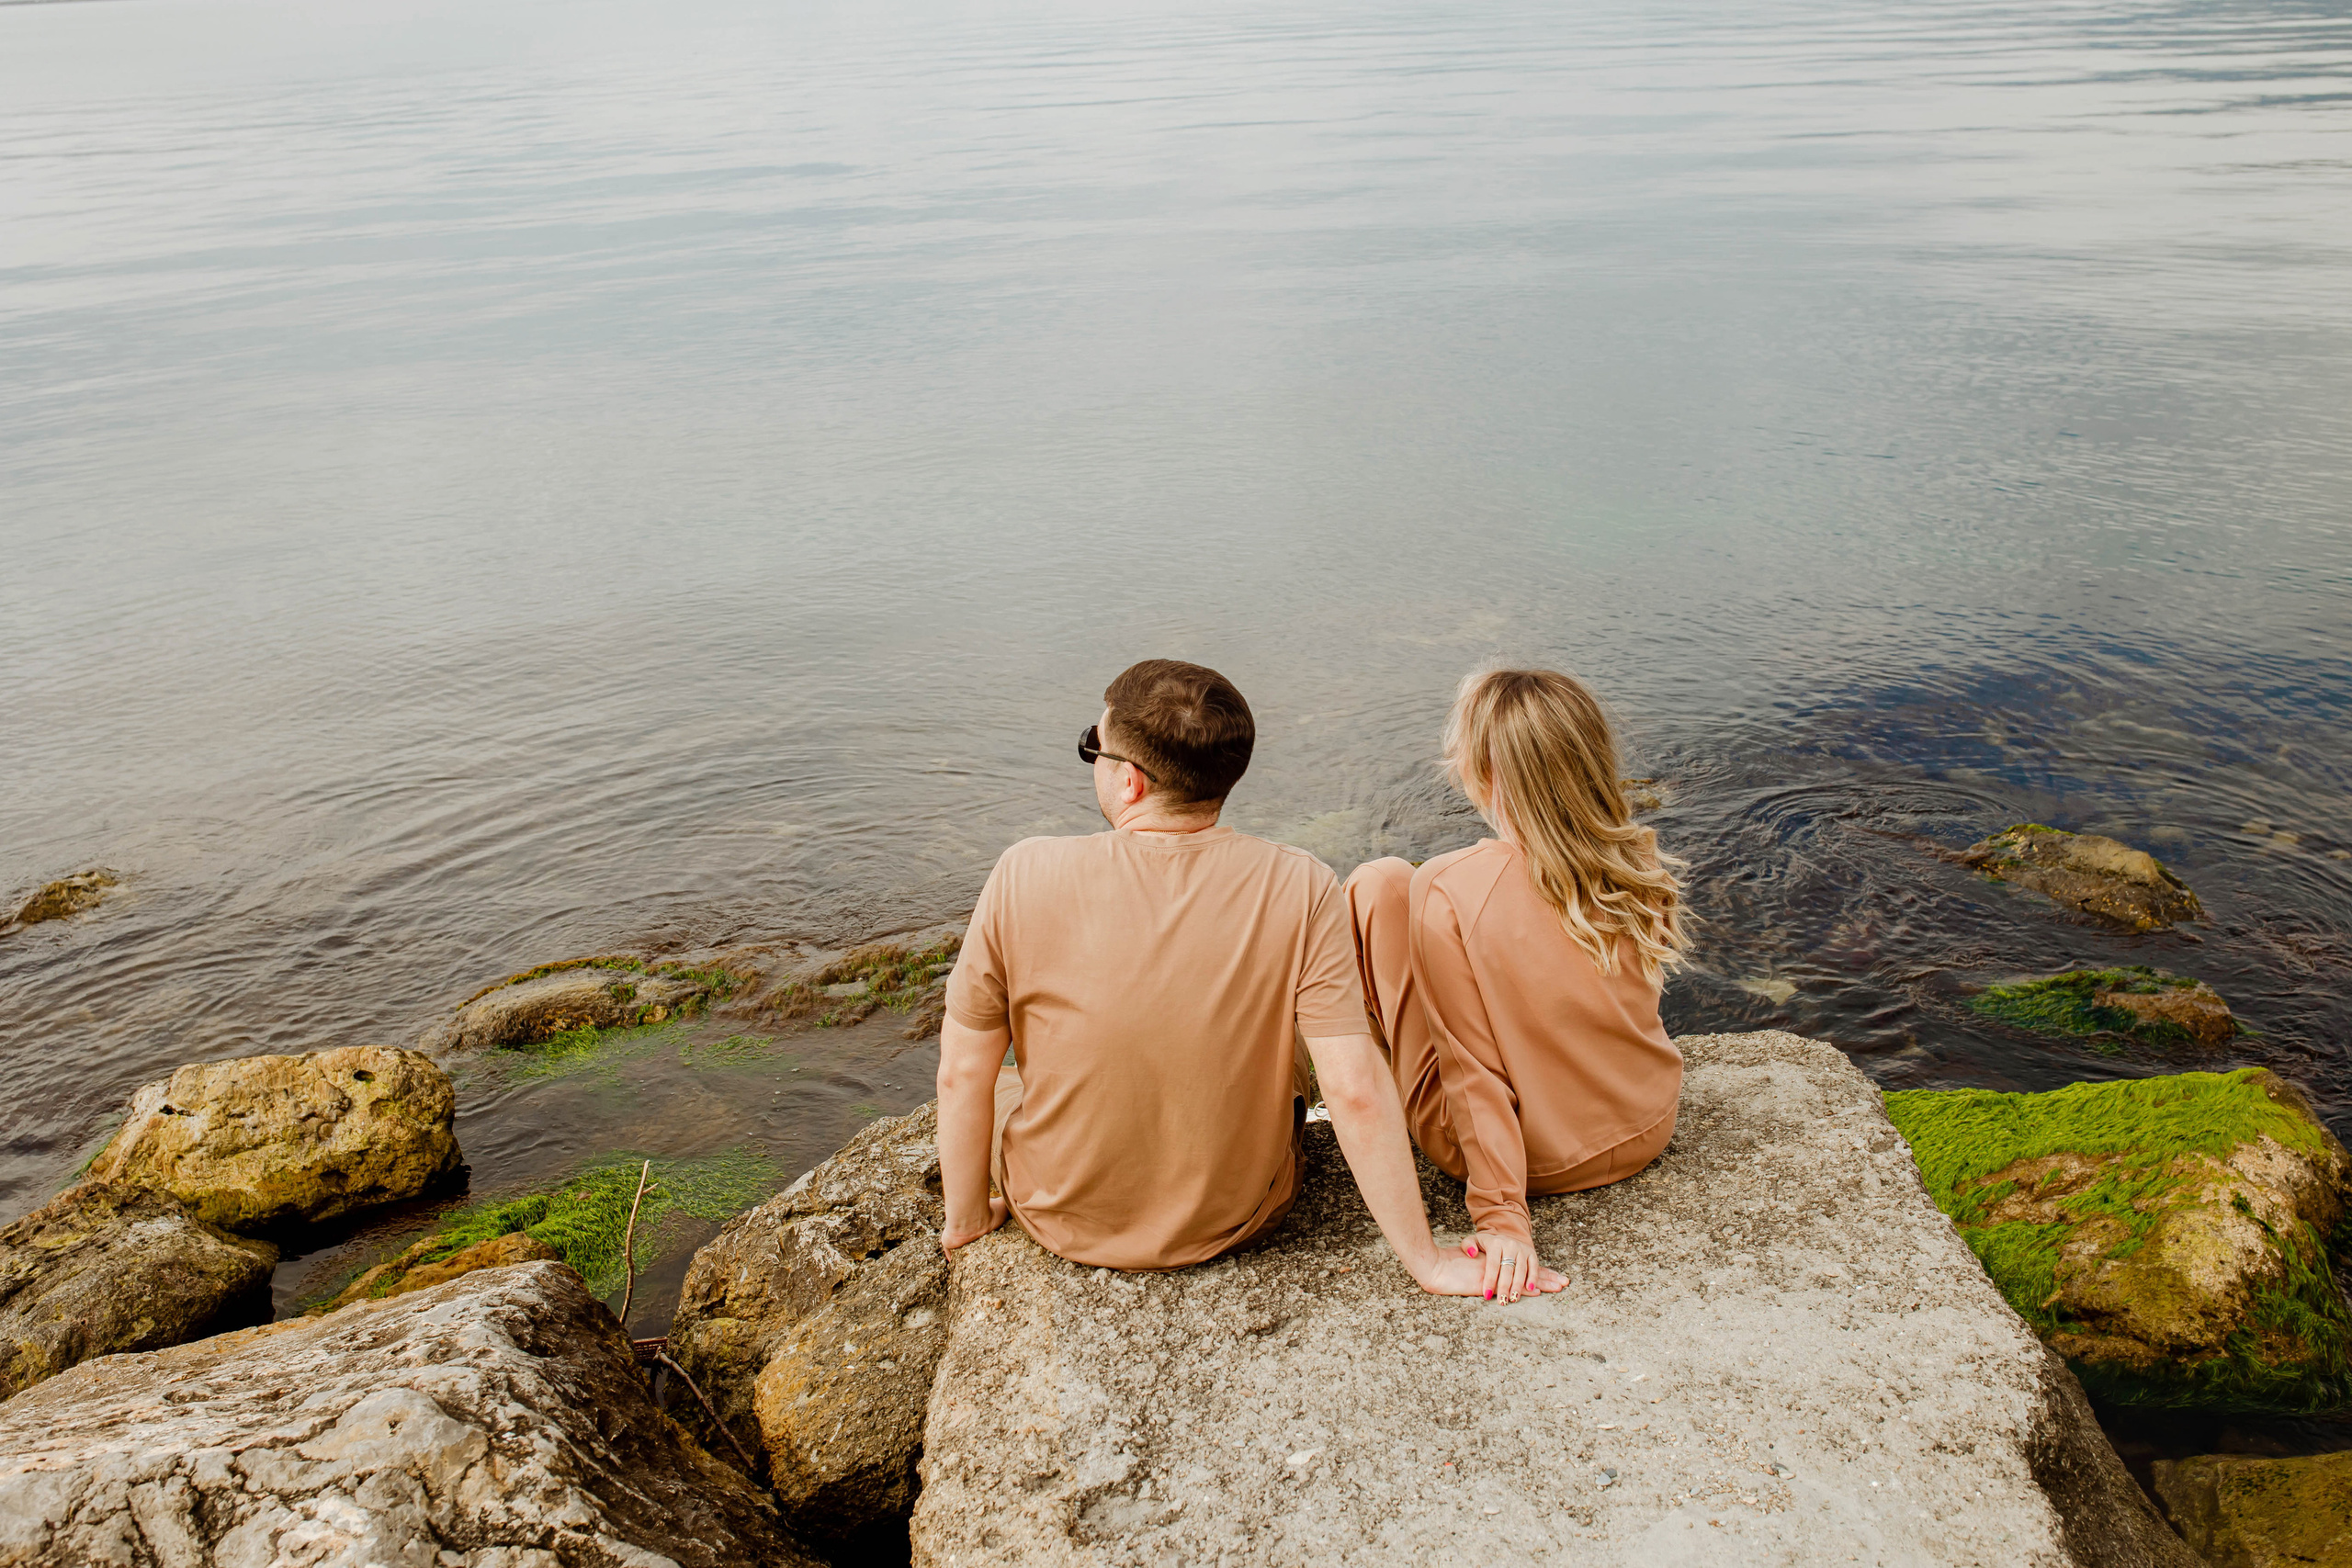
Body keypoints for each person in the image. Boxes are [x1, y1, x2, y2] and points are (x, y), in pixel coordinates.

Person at [933, 658, 1557, 1301]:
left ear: (1130, 783)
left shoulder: (1023, 872)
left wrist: (968, 1220)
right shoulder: (1302, 883)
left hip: (1061, 1217)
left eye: (1094, 746)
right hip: (1240, 1216)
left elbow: (961, 1072)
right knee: (1291, 1050)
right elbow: (1354, 1087)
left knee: (1007, 1081)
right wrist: (1426, 1261)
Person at [1347, 667, 1689, 1305]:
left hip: (1539, 1159)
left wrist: (1502, 1216)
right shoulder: (1634, 856)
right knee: (1408, 893)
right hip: (1646, 1123)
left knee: (1376, 883)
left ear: (1483, 774)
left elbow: (1470, 1070)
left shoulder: (1448, 885)